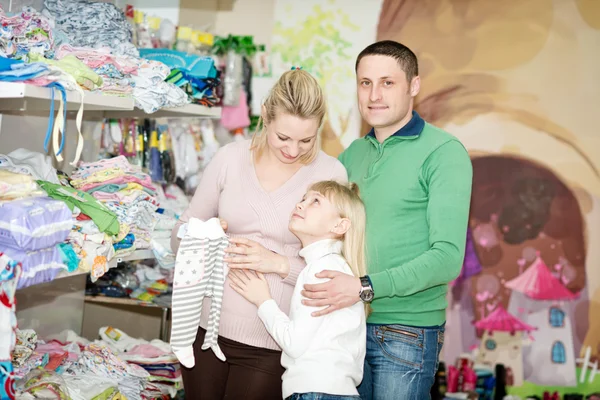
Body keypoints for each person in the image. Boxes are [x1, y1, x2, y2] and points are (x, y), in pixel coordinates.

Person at [301, 40, 473, 399]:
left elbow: (447, 257)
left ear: (413, 86)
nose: (374, 95)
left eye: (387, 82)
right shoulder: (351, 156)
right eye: (365, 83)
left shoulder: (444, 153)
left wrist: (364, 286)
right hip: (346, 324)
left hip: (407, 330)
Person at [170, 69, 348, 399]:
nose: (293, 150)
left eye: (306, 140)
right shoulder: (229, 158)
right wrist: (202, 234)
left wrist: (278, 264)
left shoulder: (330, 174)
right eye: (283, 137)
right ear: (265, 115)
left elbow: (331, 276)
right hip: (205, 331)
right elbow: (178, 235)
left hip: (271, 343)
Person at [228, 180, 367, 400]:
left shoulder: (323, 270)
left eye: (315, 202)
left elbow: (294, 343)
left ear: (340, 226)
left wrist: (263, 300)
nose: (301, 205)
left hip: (316, 392)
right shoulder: (333, 267)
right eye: (304, 198)